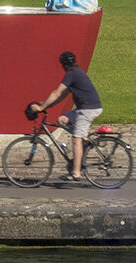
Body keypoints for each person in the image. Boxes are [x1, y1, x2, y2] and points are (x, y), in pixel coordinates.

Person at [29, 51, 102, 181]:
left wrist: (41, 108)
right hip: (85, 108)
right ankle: (83, 142)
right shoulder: (75, 73)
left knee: (76, 139)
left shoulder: (72, 74)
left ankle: (76, 172)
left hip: (87, 109)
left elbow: (57, 93)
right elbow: (62, 96)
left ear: (63, 64)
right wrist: (46, 105)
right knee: (62, 120)